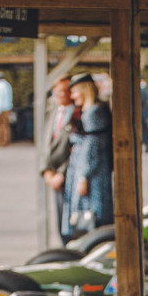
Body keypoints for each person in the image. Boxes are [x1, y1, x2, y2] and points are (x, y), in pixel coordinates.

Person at [62, 73, 113, 242]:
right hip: (86, 170)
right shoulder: (88, 112)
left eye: (75, 91)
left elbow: (93, 148)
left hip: (92, 175)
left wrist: (84, 175)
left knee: (90, 214)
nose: (73, 96)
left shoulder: (94, 113)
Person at [41, 76, 76, 244]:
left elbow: (76, 149)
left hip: (69, 173)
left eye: (64, 91)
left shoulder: (77, 113)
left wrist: (61, 173)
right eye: (57, 91)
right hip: (54, 173)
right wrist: (46, 171)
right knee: (60, 216)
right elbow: (46, 143)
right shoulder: (53, 112)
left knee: (71, 219)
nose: (60, 95)